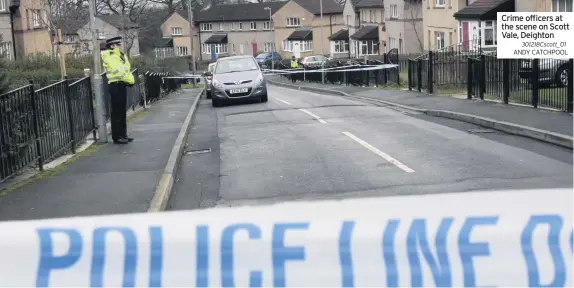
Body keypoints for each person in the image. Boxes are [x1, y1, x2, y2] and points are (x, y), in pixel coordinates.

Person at [101, 36, 135, 144]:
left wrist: (128, 79)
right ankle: (117, 136)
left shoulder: (120, 55)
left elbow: (127, 68)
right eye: (117, 44)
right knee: (116, 112)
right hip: (115, 84)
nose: (120, 46)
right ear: (112, 46)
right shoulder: (110, 56)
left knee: (122, 111)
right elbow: (119, 71)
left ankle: (123, 134)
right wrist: (129, 78)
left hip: (121, 84)